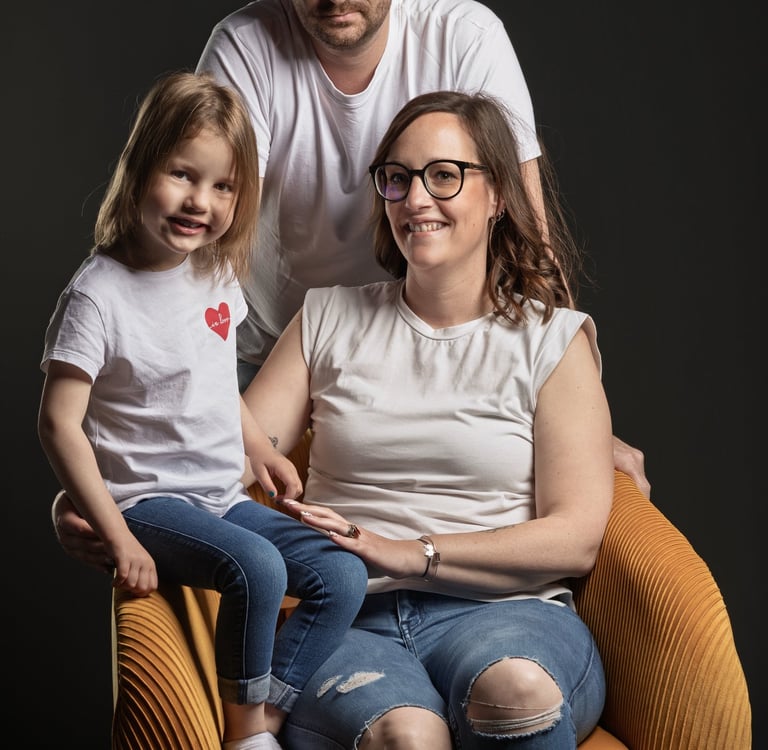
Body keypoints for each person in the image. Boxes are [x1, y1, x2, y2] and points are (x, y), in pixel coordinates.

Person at [51, 0, 649, 579]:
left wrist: (576, 412)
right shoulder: (248, 44)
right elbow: (198, 220)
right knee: (210, 527)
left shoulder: (462, 34)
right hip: (256, 350)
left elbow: (529, 235)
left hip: (421, 333)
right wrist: (116, 496)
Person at [244, 89, 614, 748]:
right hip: (346, 619)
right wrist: (113, 492)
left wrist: (415, 554)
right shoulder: (326, 317)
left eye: (444, 175)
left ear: (497, 194)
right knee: (408, 738)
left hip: (509, 617)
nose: (416, 199)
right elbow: (230, 450)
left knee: (516, 695)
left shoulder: (554, 340)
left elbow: (575, 536)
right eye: (397, 178)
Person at [37, 71, 367, 750]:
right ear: (139, 169)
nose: (201, 202)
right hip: (147, 502)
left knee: (341, 574)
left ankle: (269, 713)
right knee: (259, 569)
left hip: (220, 496)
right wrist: (119, 536)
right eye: (183, 175)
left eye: (223, 187)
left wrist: (263, 450)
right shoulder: (99, 296)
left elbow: (220, 386)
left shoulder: (214, 271)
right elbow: (58, 423)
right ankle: (247, 732)